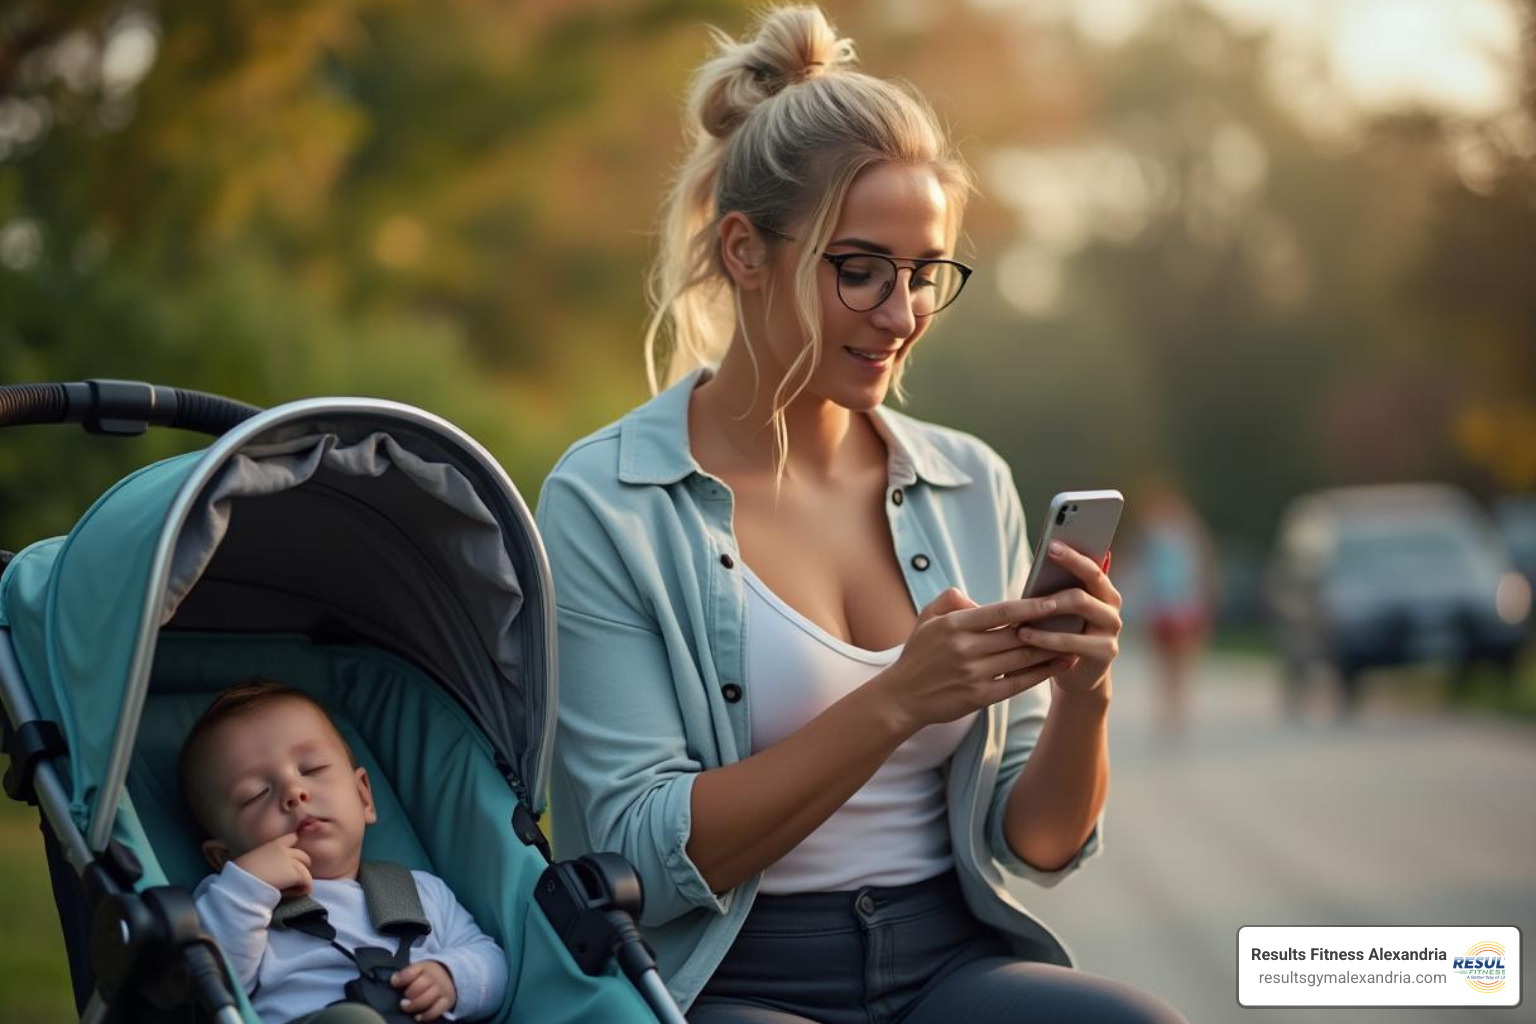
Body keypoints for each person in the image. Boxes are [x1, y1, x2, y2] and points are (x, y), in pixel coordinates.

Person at [535, 7, 1187, 1023]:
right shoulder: (608, 501)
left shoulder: (970, 482)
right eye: (860, 270)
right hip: (725, 977)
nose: (901, 313)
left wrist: (1085, 696)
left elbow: (1036, 846)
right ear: (745, 251)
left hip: (947, 958)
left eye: (925, 273)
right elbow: (638, 855)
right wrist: (896, 700)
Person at [180, 679, 508, 1024]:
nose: (294, 791)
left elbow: (490, 961)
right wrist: (247, 884)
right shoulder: (234, 905)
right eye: (256, 794)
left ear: (364, 797)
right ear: (225, 858)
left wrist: (452, 975)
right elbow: (204, 985)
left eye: (312, 769)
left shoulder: (422, 892)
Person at [1131, 481, 1218, 737]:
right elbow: (1143, 575)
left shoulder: (1185, 535)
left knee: (1179, 662)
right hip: (1162, 607)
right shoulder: (1153, 537)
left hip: (1182, 606)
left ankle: (1176, 710)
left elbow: (1202, 572)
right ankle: (1170, 710)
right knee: (1166, 663)